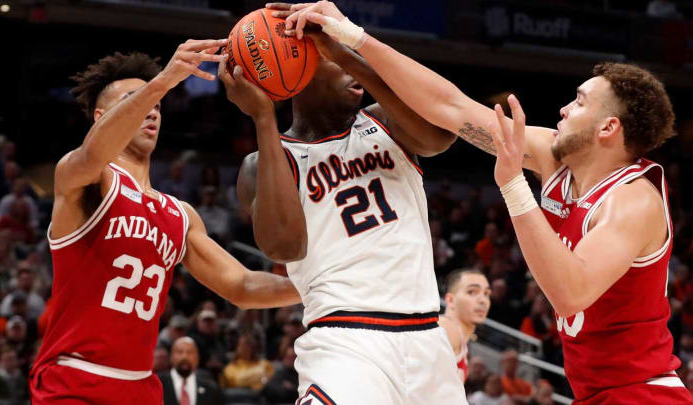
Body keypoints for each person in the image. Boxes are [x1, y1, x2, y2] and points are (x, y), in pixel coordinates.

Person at [285, 2, 693, 403]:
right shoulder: (553, 155)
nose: (564, 109)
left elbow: (570, 293)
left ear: (608, 127)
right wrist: (352, 38)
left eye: (580, 102)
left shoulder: (633, 201)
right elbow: (451, 107)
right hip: (596, 391)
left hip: (643, 393)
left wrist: (514, 185)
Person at [29, 42, 300, 404]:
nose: (151, 109)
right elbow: (94, 152)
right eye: (136, 100)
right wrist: (163, 80)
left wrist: (318, 285)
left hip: (141, 387)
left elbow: (243, 286)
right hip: (74, 381)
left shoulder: (180, 214)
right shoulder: (85, 178)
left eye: (156, 104)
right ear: (100, 117)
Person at [221, 4, 466, 403]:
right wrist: (263, 118)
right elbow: (284, 247)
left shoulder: (385, 120)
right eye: (333, 59)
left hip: (427, 338)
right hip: (345, 342)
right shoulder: (266, 161)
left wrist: (344, 52)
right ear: (298, 68)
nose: (351, 68)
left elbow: (441, 137)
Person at [439, 268, 491, 383]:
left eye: (486, 293)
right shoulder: (447, 327)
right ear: (451, 300)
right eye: (472, 292)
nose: (483, 300)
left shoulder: (460, 338)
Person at [159, 336, 221, 405]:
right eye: (180, 352)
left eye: (190, 352)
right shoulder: (158, 385)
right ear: (171, 357)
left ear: (197, 358)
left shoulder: (211, 388)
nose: (185, 356)